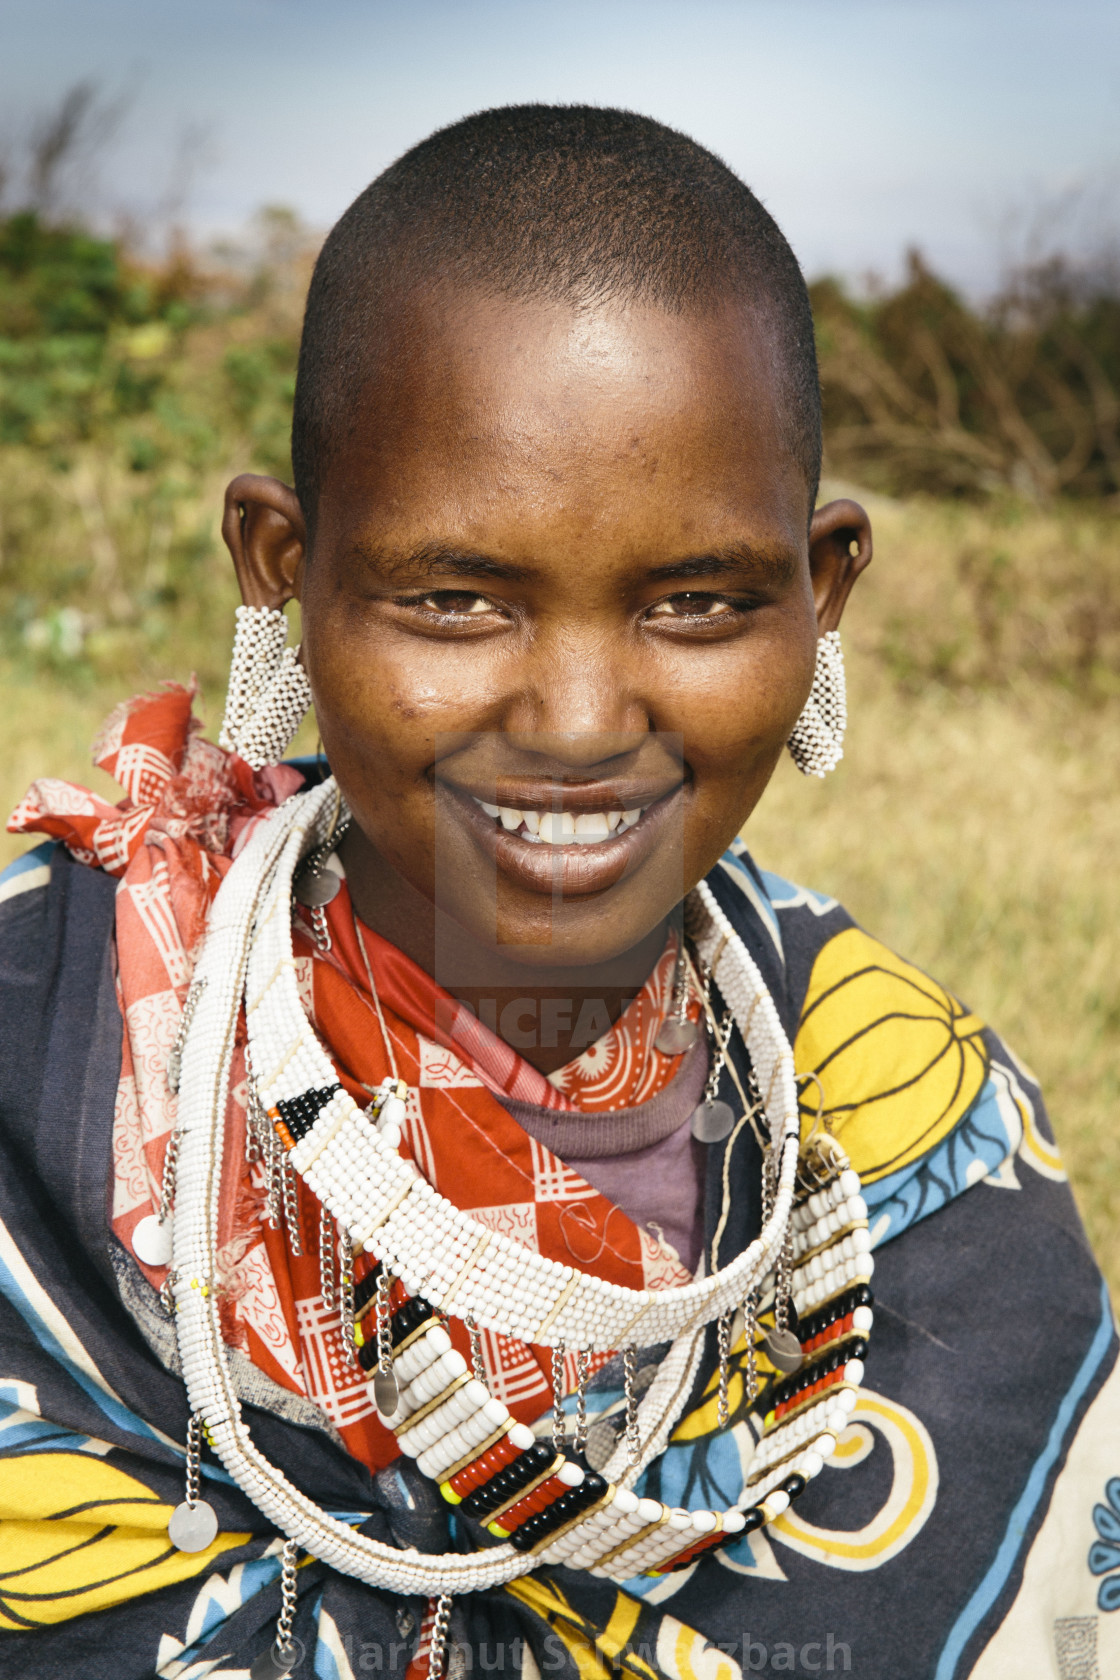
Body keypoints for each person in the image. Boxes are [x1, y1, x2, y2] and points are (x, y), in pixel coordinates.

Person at [0, 106, 1114, 1680]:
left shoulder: (915, 1128)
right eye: (454, 599)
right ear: (281, 569)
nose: (582, 722)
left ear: (824, 591)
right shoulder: (42, 1032)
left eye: (700, 602)